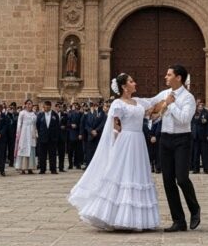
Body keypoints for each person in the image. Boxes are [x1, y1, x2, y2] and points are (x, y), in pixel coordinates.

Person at [68, 73, 165, 231]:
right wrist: (113, 144)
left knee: (137, 175)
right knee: (123, 175)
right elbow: (114, 126)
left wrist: (166, 101)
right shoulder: (118, 104)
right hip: (125, 141)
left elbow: (152, 109)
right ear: (124, 87)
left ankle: (137, 219)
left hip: (138, 142)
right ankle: (117, 216)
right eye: (131, 81)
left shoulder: (138, 102)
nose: (135, 83)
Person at [142, 65, 202, 232]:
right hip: (165, 139)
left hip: (182, 140)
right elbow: (151, 103)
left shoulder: (188, 98)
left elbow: (184, 119)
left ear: (179, 78)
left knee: (181, 178)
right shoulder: (164, 94)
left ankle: (195, 209)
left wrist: (170, 105)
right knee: (168, 181)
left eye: (169, 75)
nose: (165, 77)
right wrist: (129, 102)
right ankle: (179, 220)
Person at [36, 101, 60, 174]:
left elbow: (57, 126)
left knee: (52, 154)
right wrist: (40, 134)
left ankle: (53, 169)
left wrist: (55, 137)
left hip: (52, 138)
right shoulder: (40, 115)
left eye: (47, 107)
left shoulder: (55, 115)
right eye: (44, 107)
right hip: (43, 137)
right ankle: (42, 169)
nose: (45, 108)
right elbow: (38, 125)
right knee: (42, 154)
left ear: (50, 107)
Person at [14, 100, 37, 175]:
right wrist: (18, 133)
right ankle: (23, 168)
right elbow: (19, 123)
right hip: (24, 133)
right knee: (23, 149)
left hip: (31, 133)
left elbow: (35, 124)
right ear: (25, 105)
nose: (29, 105)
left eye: (30, 104)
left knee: (31, 149)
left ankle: (30, 168)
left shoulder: (33, 114)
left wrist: (35, 133)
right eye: (28, 104)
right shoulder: (22, 113)